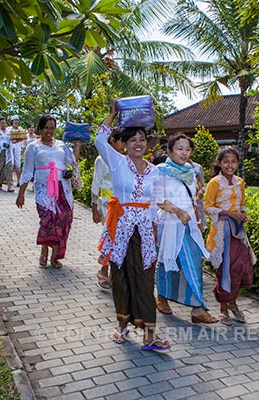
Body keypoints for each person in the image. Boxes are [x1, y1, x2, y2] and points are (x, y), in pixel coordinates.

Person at [95, 102, 170, 352]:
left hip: (145, 231)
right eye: (133, 139)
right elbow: (99, 138)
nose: (138, 143)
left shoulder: (155, 172)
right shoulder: (116, 162)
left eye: (142, 139)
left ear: (147, 144)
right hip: (120, 228)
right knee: (120, 278)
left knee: (146, 280)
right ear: (125, 144)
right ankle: (123, 325)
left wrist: (156, 231)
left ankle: (149, 334)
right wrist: (113, 113)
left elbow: (157, 204)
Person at [154, 134, 217, 324]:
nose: (184, 152)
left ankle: (197, 309)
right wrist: (177, 210)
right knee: (167, 263)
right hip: (169, 225)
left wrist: (196, 219)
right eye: (179, 148)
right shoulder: (159, 171)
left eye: (187, 149)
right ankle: (162, 298)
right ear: (169, 151)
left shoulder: (191, 170)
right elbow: (156, 200)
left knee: (193, 263)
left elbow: (194, 199)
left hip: (189, 225)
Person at [16, 115, 82, 269]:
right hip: (44, 190)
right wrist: (21, 194)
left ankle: (55, 257)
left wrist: (77, 146)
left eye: (52, 128)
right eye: (46, 127)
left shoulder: (61, 145)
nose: (49, 131)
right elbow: (27, 172)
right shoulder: (33, 147)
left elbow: (73, 162)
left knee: (63, 219)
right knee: (47, 220)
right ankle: (44, 250)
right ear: (40, 129)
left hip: (63, 189)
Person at [204, 148, 257, 326]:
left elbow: (242, 204)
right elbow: (208, 207)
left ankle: (232, 301)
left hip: (237, 231)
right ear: (220, 163)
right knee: (225, 268)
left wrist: (242, 214)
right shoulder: (214, 183)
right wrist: (229, 213)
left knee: (241, 267)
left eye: (233, 162)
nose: (230, 165)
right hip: (221, 232)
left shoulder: (240, 182)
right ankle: (224, 309)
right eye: (226, 161)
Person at [91, 130, 125, 289]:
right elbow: (95, 183)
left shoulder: (125, 160)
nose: (124, 146)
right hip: (106, 203)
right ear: (112, 140)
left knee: (117, 237)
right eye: (121, 141)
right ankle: (105, 269)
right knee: (111, 235)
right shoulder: (101, 160)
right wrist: (94, 207)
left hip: (121, 204)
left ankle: (108, 271)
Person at [0, 116, 15, 192]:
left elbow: (13, 140)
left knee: (9, 168)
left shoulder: (9, 131)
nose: (3, 125)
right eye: (1, 123)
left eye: (4, 123)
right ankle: (0, 184)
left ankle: (10, 186)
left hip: (8, 152)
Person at [9, 115, 26, 187]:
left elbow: (24, 137)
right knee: (11, 163)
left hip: (17, 147)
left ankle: (19, 181)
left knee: (18, 165)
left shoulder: (20, 129)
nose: (16, 121)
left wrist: (17, 140)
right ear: (12, 121)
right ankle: (10, 180)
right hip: (10, 147)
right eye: (14, 120)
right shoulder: (8, 129)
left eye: (17, 120)